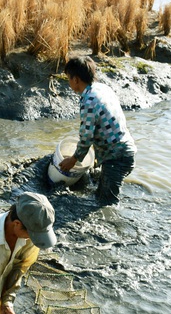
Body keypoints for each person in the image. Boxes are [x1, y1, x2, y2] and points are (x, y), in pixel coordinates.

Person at [59, 56, 137, 205]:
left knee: (106, 204)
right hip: (124, 151)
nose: (69, 83)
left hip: (116, 157)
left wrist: (73, 159)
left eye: (69, 78)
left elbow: (86, 136)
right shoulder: (102, 88)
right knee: (100, 196)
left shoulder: (89, 100)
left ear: (76, 79)